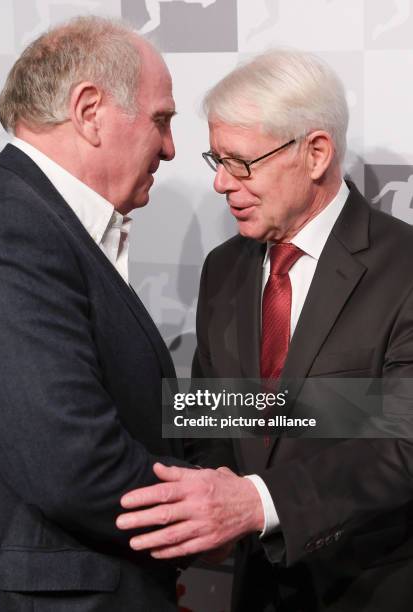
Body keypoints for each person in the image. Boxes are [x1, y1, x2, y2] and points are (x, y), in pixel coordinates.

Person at [116, 49, 413, 611]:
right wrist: (204, 503)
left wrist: (259, 501)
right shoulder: (223, 268)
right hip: (254, 592)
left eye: (241, 162)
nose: (222, 184)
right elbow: (214, 419)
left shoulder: (405, 269)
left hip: (374, 589)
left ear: (316, 153)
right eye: (216, 160)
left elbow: (403, 441)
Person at [0, 16, 187, 612]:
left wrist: (305, 428)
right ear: (90, 111)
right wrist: (218, 511)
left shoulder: (45, 226)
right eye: (161, 120)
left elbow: (145, 408)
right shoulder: (3, 232)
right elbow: (73, 463)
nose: (171, 149)